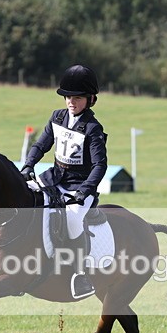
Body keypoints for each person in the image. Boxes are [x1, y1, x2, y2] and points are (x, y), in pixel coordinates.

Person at [20, 64, 108, 299]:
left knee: (72, 218)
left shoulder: (92, 128)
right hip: (54, 178)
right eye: (68, 96)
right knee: (23, 196)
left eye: (77, 97)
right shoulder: (57, 117)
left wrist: (85, 191)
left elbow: (100, 166)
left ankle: (81, 275)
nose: (71, 101)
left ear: (90, 100)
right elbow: (41, 145)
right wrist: (29, 165)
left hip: (80, 186)